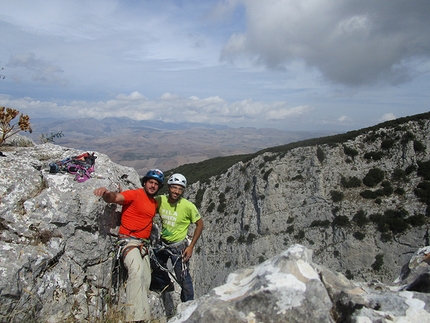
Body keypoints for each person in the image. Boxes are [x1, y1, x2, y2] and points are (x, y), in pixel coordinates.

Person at [94, 169, 164, 323]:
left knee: (146, 280)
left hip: (143, 246)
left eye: (156, 184)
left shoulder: (154, 203)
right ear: (144, 182)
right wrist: (106, 193)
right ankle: (133, 318)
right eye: (151, 182)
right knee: (137, 271)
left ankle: (144, 317)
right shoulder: (135, 194)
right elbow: (117, 198)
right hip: (128, 242)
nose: (153, 186)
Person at [152, 173, 204, 303]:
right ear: (168, 187)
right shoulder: (160, 200)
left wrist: (191, 246)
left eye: (180, 189)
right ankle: (165, 285)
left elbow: (200, 224)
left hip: (179, 247)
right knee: (155, 264)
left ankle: (188, 305)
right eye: (174, 188)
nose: (177, 191)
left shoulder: (187, 206)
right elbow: (146, 205)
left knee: (183, 278)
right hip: (163, 243)